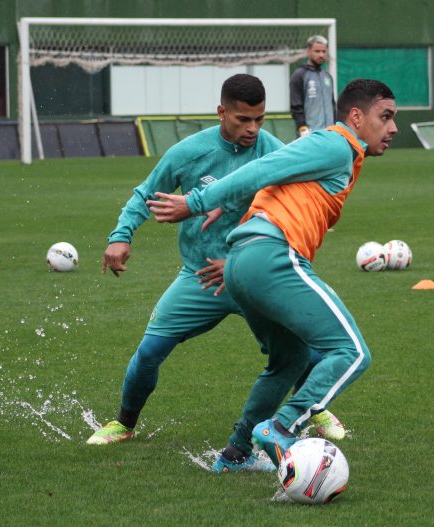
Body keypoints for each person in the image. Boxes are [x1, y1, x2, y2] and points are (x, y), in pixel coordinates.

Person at [86, 74, 345, 471]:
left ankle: (315, 408)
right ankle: (124, 422)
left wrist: (241, 259)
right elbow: (145, 194)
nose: (252, 129)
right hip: (198, 277)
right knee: (149, 352)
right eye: (243, 119)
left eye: (259, 119)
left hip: (255, 275)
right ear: (221, 111)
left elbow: (301, 202)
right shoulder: (189, 152)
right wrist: (121, 236)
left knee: (296, 351)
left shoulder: (274, 151)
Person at [150, 78, 398, 468]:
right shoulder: (335, 143)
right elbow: (262, 168)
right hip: (272, 255)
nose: (393, 127)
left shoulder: (339, 155)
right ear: (355, 116)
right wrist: (197, 201)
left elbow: (267, 181)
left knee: (290, 359)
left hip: (243, 260)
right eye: (385, 117)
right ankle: (282, 428)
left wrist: (223, 207)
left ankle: (235, 454)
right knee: (351, 352)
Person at [289, 35, 336, 138]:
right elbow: (296, 106)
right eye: (317, 51)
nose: (321, 55)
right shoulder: (299, 75)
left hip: (330, 134)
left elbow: (332, 105)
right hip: (310, 135)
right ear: (309, 51)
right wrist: (302, 128)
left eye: (324, 51)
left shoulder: (327, 76)